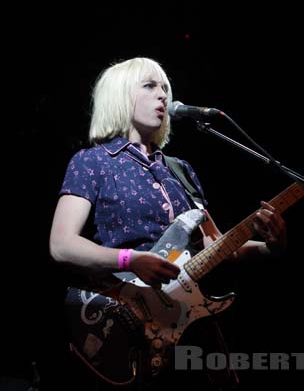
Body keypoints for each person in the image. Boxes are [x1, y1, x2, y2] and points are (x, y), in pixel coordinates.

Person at [49, 56, 287, 390]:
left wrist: (269, 246)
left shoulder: (180, 170)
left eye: (165, 87)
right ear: (119, 96)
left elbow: (216, 246)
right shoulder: (93, 162)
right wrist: (130, 259)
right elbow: (61, 244)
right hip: (124, 318)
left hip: (192, 326)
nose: (163, 94)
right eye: (149, 86)